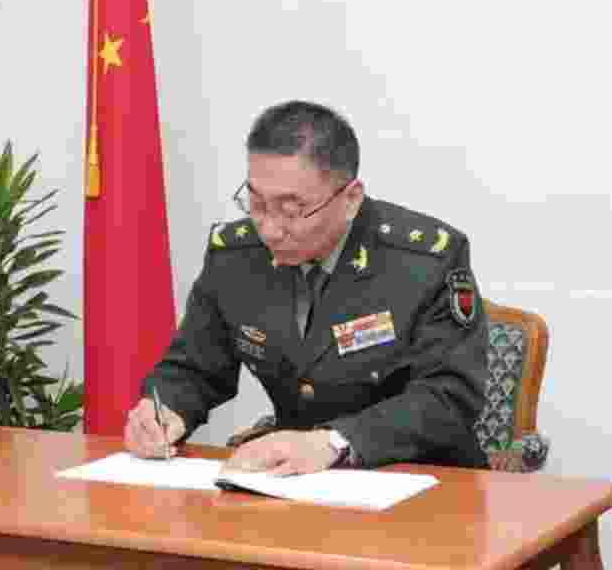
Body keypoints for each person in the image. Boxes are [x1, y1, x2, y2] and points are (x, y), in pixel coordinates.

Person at [125, 100, 490, 473]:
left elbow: (449, 396)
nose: (268, 228)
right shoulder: (235, 256)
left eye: (291, 209)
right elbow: (196, 368)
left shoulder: (424, 261)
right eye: (256, 203)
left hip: (426, 484)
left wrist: (334, 442)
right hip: (294, 485)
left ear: (350, 199)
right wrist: (165, 409)